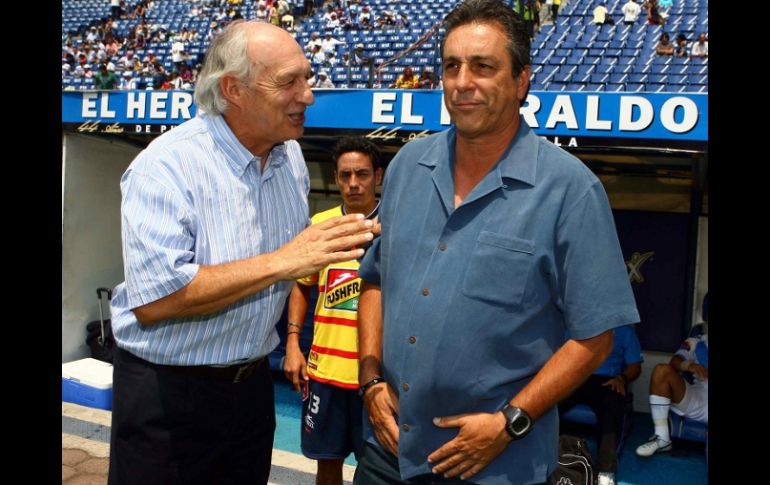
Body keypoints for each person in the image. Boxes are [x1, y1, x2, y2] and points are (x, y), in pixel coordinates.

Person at [353, 1, 640, 484]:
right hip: (388, 453)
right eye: (451, 66)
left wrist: (511, 422)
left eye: (483, 67)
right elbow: (376, 283)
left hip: (495, 464)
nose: (463, 82)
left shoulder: (570, 189)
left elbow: (595, 336)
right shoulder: (406, 166)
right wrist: (371, 381)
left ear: (521, 80)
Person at [107, 21, 376, 485]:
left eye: (307, 78)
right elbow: (154, 301)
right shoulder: (165, 166)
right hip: (168, 397)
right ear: (234, 89)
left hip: (249, 394)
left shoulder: (288, 156)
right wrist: (284, 261)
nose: (307, 95)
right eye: (290, 81)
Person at [284, 136, 384, 485]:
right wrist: (293, 345)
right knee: (327, 465)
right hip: (324, 374)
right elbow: (301, 283)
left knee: (378, 470)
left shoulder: (396, 224)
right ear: (336, 178)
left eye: (362, 174)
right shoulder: (320, 224)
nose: (353, 183)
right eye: (345, 175)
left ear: (378, 177)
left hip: (376, 378)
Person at [559, 325, 643, 485]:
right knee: (550, 400)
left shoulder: (624, 330)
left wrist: (622, 379)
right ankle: (540, 457)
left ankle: (606, 471)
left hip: (607, 380)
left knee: (612, 403)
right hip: (577, 377)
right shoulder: (575, 325)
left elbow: (635, 366)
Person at [636, 293, 708, 458]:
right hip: (700, 399)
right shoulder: (696, 342)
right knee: (662, 371)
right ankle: (662, 438)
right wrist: (691, 366)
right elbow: (674, 362)